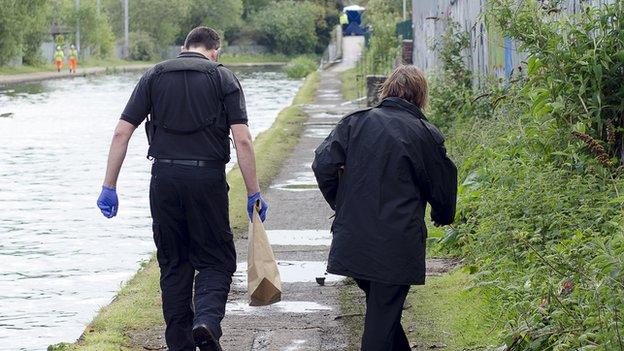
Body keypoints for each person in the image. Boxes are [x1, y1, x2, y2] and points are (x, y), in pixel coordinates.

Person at [96, 26, 268, 351]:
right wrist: (253, 192)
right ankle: (205, 320)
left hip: (163, 179)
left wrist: (109, 185)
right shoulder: (223, 77)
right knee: (216, 260)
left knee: (174, 262)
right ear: (215, 51)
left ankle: (181, 343)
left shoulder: (154, 75)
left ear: (183, 47)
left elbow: (121, 133)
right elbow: (242, 139)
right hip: (207, 180)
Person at [312, 65, 457, 351]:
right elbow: (442, 184)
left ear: (387, 89)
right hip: (396, 242)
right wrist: (442, 215)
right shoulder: (424, 134)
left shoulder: (354, 123)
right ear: (420, 96)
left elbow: (322, 164)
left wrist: (342, 204)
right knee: (382, 318)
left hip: (354, 239)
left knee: (383, 313)